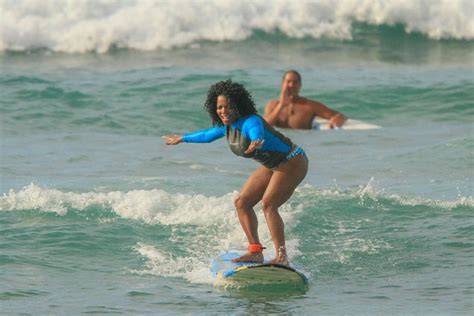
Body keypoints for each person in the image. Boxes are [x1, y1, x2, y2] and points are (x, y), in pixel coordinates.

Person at [162, 80, 308, 266]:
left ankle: (282, 257)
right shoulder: (227, 126)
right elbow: (207, 136)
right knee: (242, 202)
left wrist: (257, 140)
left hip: (292, 161)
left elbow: (256, 132)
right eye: (219, 107)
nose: (222, 111)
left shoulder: (250, 121)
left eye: (227, 106)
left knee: (269, 205)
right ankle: (255, 251)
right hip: (273, 165)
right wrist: (183, 139)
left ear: (238, 105)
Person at [264, 70, 347, 129]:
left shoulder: (309, 106)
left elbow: (340, 116)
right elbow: (264, 127)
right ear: (282, 84)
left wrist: (335, 121)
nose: (291, 85)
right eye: (288, 81)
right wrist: (281, 105)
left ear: (300, 85)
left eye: (295, 82)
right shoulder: (272, 105)